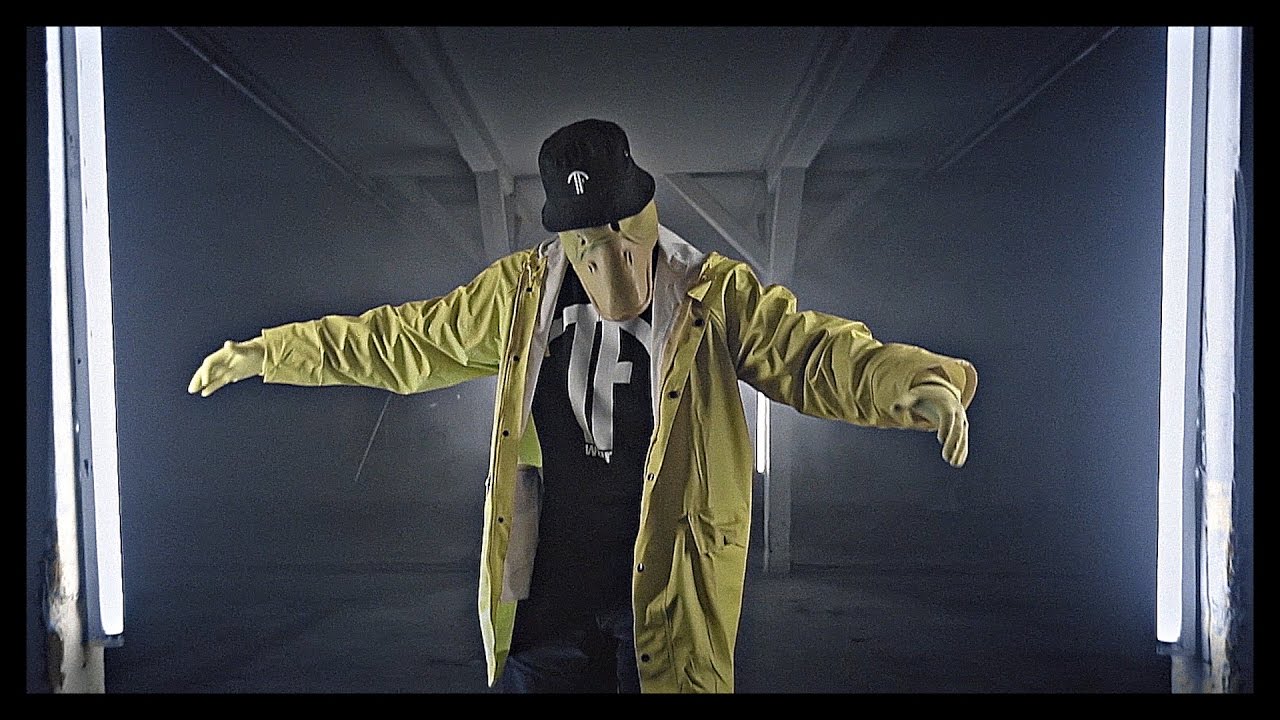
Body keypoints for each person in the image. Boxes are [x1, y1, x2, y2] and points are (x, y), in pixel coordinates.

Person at [187, 118, 977, 694]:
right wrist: (272, 352)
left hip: (668, 600)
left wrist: (912, 384)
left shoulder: (715, 294)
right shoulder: (519, 294)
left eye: (619, 229)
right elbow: (404, 341)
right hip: (547, 604)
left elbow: (812, 352)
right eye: (586, 237)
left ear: (644, 212)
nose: (609, 259)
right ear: (563, 235)